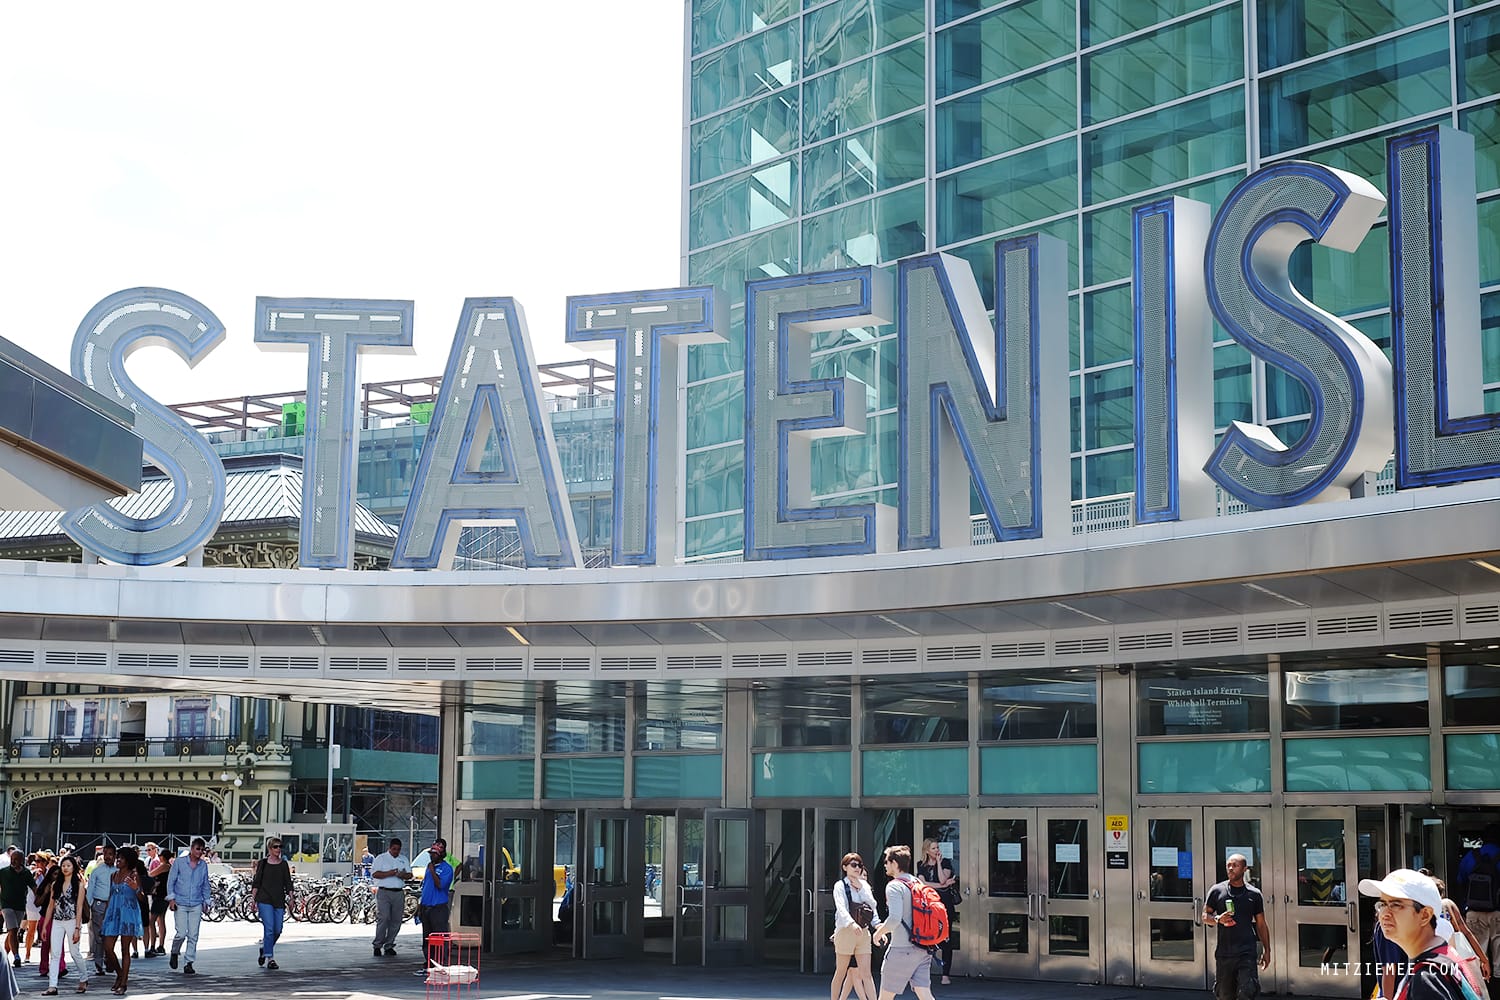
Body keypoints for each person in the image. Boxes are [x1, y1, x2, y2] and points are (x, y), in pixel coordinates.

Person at [1360, 868, 1471, 1000]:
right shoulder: (1443, 957)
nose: (1384, 914)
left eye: (1396, 905)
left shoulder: (1426, 980)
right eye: (1383, 904)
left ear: (1425, 915)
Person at [1201, 853, 1271, 1000]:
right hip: (1224, 953)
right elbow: (1205, 916)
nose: (1231, 868)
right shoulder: (1217, 890)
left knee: (1247, 991)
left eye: (1235, 865)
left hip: (1246, 952)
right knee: (1225, 995)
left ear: (1245, 869)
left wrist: (1267, 950)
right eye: (1229, 865)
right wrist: (1218, 919)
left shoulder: (1254, 894)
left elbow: (1261, 924)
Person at [871, 845, 936, 1000]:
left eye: (886, 861)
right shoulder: (917, 883)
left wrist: (878, 933)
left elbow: (894, 918)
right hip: (923, 948)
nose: (885, 865)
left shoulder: (894, 886)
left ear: (895, 863)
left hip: (901, 949)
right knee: (924, 993)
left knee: (885, 996)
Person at [1433, 876, 1493, 999]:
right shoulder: (1448, 904)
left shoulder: (1423, 912)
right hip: (1459, 960)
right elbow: (1466, 932)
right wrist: (1484, 959)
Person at [1458, 825, 1500, 995]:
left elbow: (1460, 881)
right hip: (1498, 912)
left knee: (1477, 956)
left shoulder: (1471, 857)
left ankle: (1480, 993)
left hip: (1474, 912)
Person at [831, 852, 876, 1000]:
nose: (857, 868)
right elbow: (841, 908)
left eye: (859, 865)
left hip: (863, 932)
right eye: (853, 865)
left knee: (866, 974)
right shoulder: (840, 885)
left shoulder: (864, 885)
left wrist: (862, 888)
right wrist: (851, 924)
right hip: (846, 932)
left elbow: (872, 906)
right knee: (841, 971)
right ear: (845, 867)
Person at [100, 845, 143, 996]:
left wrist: (136, 888)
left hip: (128, 913)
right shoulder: (114, 875)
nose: (118, 860)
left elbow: (142, 898)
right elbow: (110, 897)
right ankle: (119, 973)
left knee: (125, 949)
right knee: (108, 947)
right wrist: (105, 917)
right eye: (118, 857)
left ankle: (123, 983)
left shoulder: (134, 875)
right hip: (113, 913)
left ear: (129, 860)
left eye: (122, 858)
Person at [41, 855, 88, 996]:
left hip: (72, 921)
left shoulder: (79, 885)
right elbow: (50, 906)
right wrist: (44, 926)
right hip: (57, 921)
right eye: (63, 865)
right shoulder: (56, 884)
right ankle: (52, 986)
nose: (65, 868)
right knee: (55, 954)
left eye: (68, 865)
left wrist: (77, 928)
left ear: (74, 867)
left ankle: (84, 978)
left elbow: (79, 907)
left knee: (75, 953)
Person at [916, 840, 958, 986]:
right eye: (933, 848)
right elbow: (923, 884)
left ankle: (945, 975)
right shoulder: (921, 865)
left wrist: (939, 864)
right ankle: (923, 973)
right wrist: (941, 885)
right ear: (927, 850)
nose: (936, 850)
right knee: (927, 940)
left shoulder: (946, 862)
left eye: (937, 847)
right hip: (927, 907)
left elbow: (942, 878)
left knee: (946, 940)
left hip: (944, 907)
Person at [166, 838, 210, 976]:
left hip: (196, 903)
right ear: (192, 848)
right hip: (180, 902)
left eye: (202, 850)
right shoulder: (179, 862)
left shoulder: (203, 865)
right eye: (198, 849)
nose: (200, 852)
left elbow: (205, 884)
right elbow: (171, 881)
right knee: (181, 933)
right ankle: (174, 951)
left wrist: (207, 901)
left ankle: (188, 962)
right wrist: (171, 899)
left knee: (193, 934)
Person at [251, 839, 292, 970]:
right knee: (269, 929)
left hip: (278, 900)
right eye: (275, 847)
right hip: (264, 899)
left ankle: (264, 949)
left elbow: (288, 882)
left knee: (277, 930)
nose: (278, 849)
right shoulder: (263, 864)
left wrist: (291, 898)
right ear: (269, 849)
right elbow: (256, 882)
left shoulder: (283, 864)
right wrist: (253, 899)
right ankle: (270, 958)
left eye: (280, 846)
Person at [417, 839, 454, 967]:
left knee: (438, 937)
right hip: (426, 906)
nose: (431, 856)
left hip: (438, 908)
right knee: (427, 937)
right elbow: (426, 887)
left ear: (440, 855)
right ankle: (429, 960)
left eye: (434, 854)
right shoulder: (428, 867)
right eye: (431, 854)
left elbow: (440, 885)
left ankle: (440, 961)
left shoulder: (446, 869)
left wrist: (432, 871)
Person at [370, 838, 409, 958]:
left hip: (398, 892)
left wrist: (403, 875)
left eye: (398, 849)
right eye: (394, 849)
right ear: (390, 848)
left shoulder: (403, 859)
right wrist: (389, 873)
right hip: (384, 891)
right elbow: (375, 873)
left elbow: (409, 874)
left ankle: (389, 944)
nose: (396, 851)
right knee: (384, 917)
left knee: (396, 920)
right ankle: (377, 945)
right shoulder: (381, 858)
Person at [84, 848, 114, 978]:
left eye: (110, 854)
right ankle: (99, 964)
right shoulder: (97, 871)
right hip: (98, 905)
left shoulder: (118, 871)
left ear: (114, 856)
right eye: (105, 854)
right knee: (99, 935)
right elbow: (90, 889)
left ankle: (109, 959)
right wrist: (88, 906)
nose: (108, 857)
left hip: (113, 906)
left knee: (111, 934)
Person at [1, 849, 32, 970]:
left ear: (22, 860)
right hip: (6, 905)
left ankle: (4, 955)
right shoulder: (3, 872)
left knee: (12, 932)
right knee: (13, 930)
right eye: (12, 859)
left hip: (19, 906)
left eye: (17, 859)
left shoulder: (26, 873)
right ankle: (17, 956)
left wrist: (40, 899)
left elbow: (34, 887)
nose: (14, 861)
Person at [143, 845, 169, 959]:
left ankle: (153, 945)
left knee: (151, 921)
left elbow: (151, 874)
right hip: (164, 895)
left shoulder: (164, 866)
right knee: (161, 920)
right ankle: (161, 945)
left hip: (159, 896)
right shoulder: (169, 866)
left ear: (162, 857)